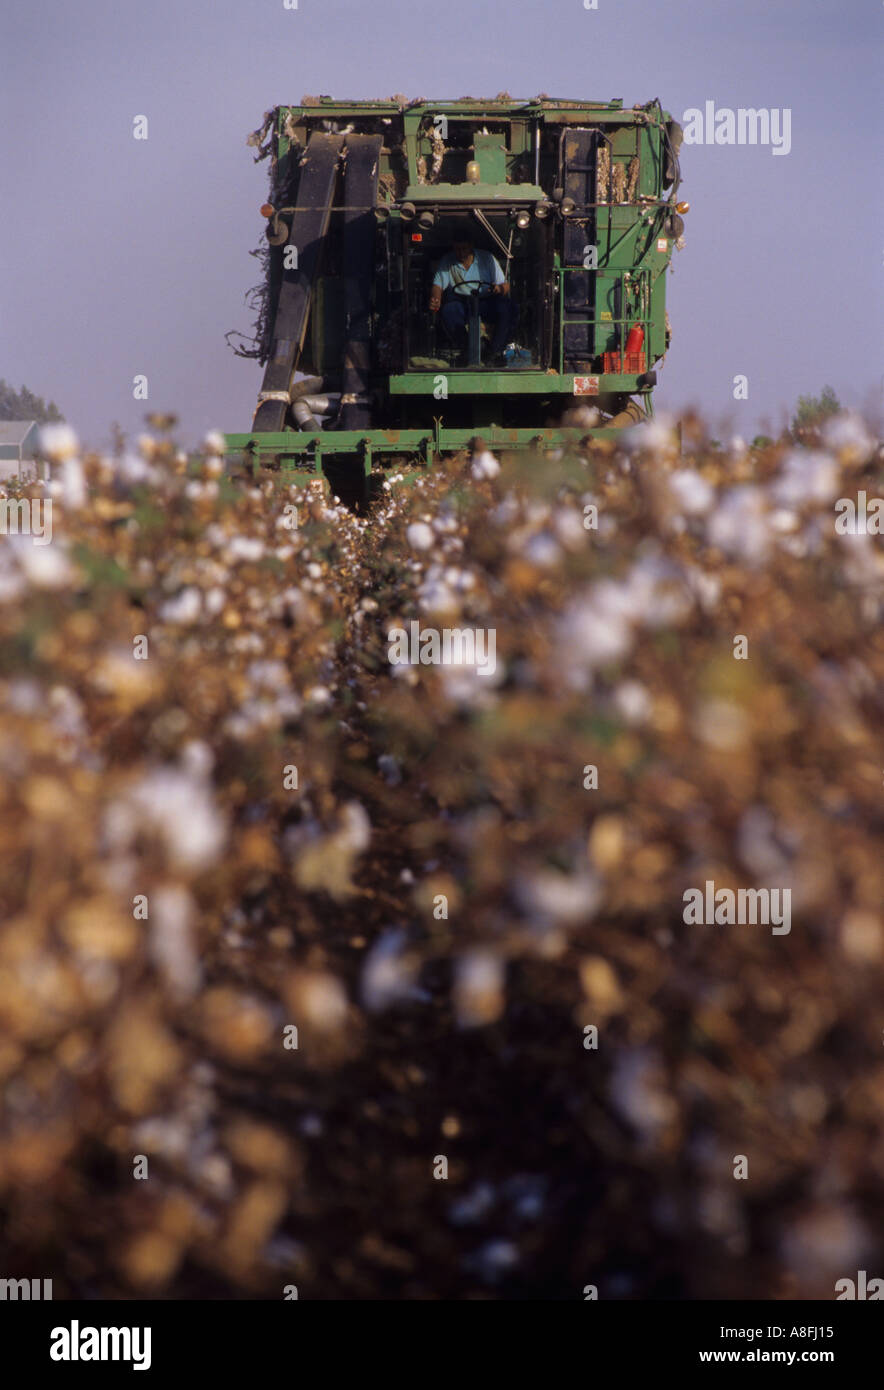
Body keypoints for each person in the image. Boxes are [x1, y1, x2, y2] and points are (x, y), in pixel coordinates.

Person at [429, 226, 517, 364]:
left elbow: (505, 285)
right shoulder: (448, 261)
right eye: (457, 249)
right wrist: (436, 299)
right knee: (448, 311)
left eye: (464, 248)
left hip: (486, 301)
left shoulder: (487, 258)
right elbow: (438, 285)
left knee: (507, 307)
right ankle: (467, 350)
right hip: (462, 303)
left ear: (471, 246)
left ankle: (494, 352)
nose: (461, 253)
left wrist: (499, 289)